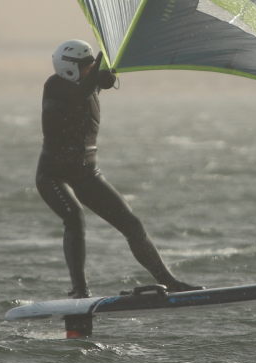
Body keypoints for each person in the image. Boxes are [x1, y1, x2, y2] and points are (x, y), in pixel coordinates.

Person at [36, 39, 198, 307]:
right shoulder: (55, 87)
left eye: (91, 65)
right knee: (75, 218)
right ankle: (80, 291)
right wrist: (101, 60)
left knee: (132, 225)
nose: (90, 70)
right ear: (69, 68)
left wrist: (109, 66)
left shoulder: (87, 84)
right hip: (53, 175)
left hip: (87, 174)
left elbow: (99, 81)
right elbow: (80, 93)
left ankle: (169, 281)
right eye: (86, 66)